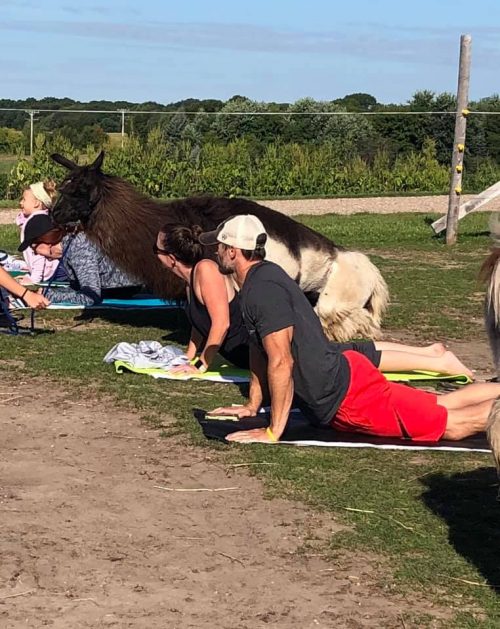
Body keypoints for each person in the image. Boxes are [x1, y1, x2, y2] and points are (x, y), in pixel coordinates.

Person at [200, 215, 500, 444]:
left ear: (233, 251)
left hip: (347, 398)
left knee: (451, 424)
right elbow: (258, 352)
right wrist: (252, 405)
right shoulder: (260, 279)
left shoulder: (262, 290)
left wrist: (273, 430)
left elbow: (281, 361)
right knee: (441, 404)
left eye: (220, 246)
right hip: (348, 378)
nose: (215, 252)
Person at [155, 224, 249, 374]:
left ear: (171, 258)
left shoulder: (206, 270)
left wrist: (200, 365)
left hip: (252, 352)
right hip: (241, 357)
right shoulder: (190, 282)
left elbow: (222, 323)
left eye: (156, 250)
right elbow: (200, 323)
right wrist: (188, 357)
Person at [18, 214, 140, 306]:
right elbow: (78, 287)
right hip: (117, 286)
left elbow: (91, 296)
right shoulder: (68, 244)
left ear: (46, 241)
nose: (34, 253)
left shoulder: (78, 246)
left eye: (34, 248)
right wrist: (49, 292)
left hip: (125, 287)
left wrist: (52, 296)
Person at [16, 180, 60, 284]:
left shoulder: (37, 222)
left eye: (24, 199)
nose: (21, 203)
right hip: (48, 271)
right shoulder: (38, 219)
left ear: (36, 203)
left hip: (51, 272)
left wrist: (34, 279)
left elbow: (39, 253)